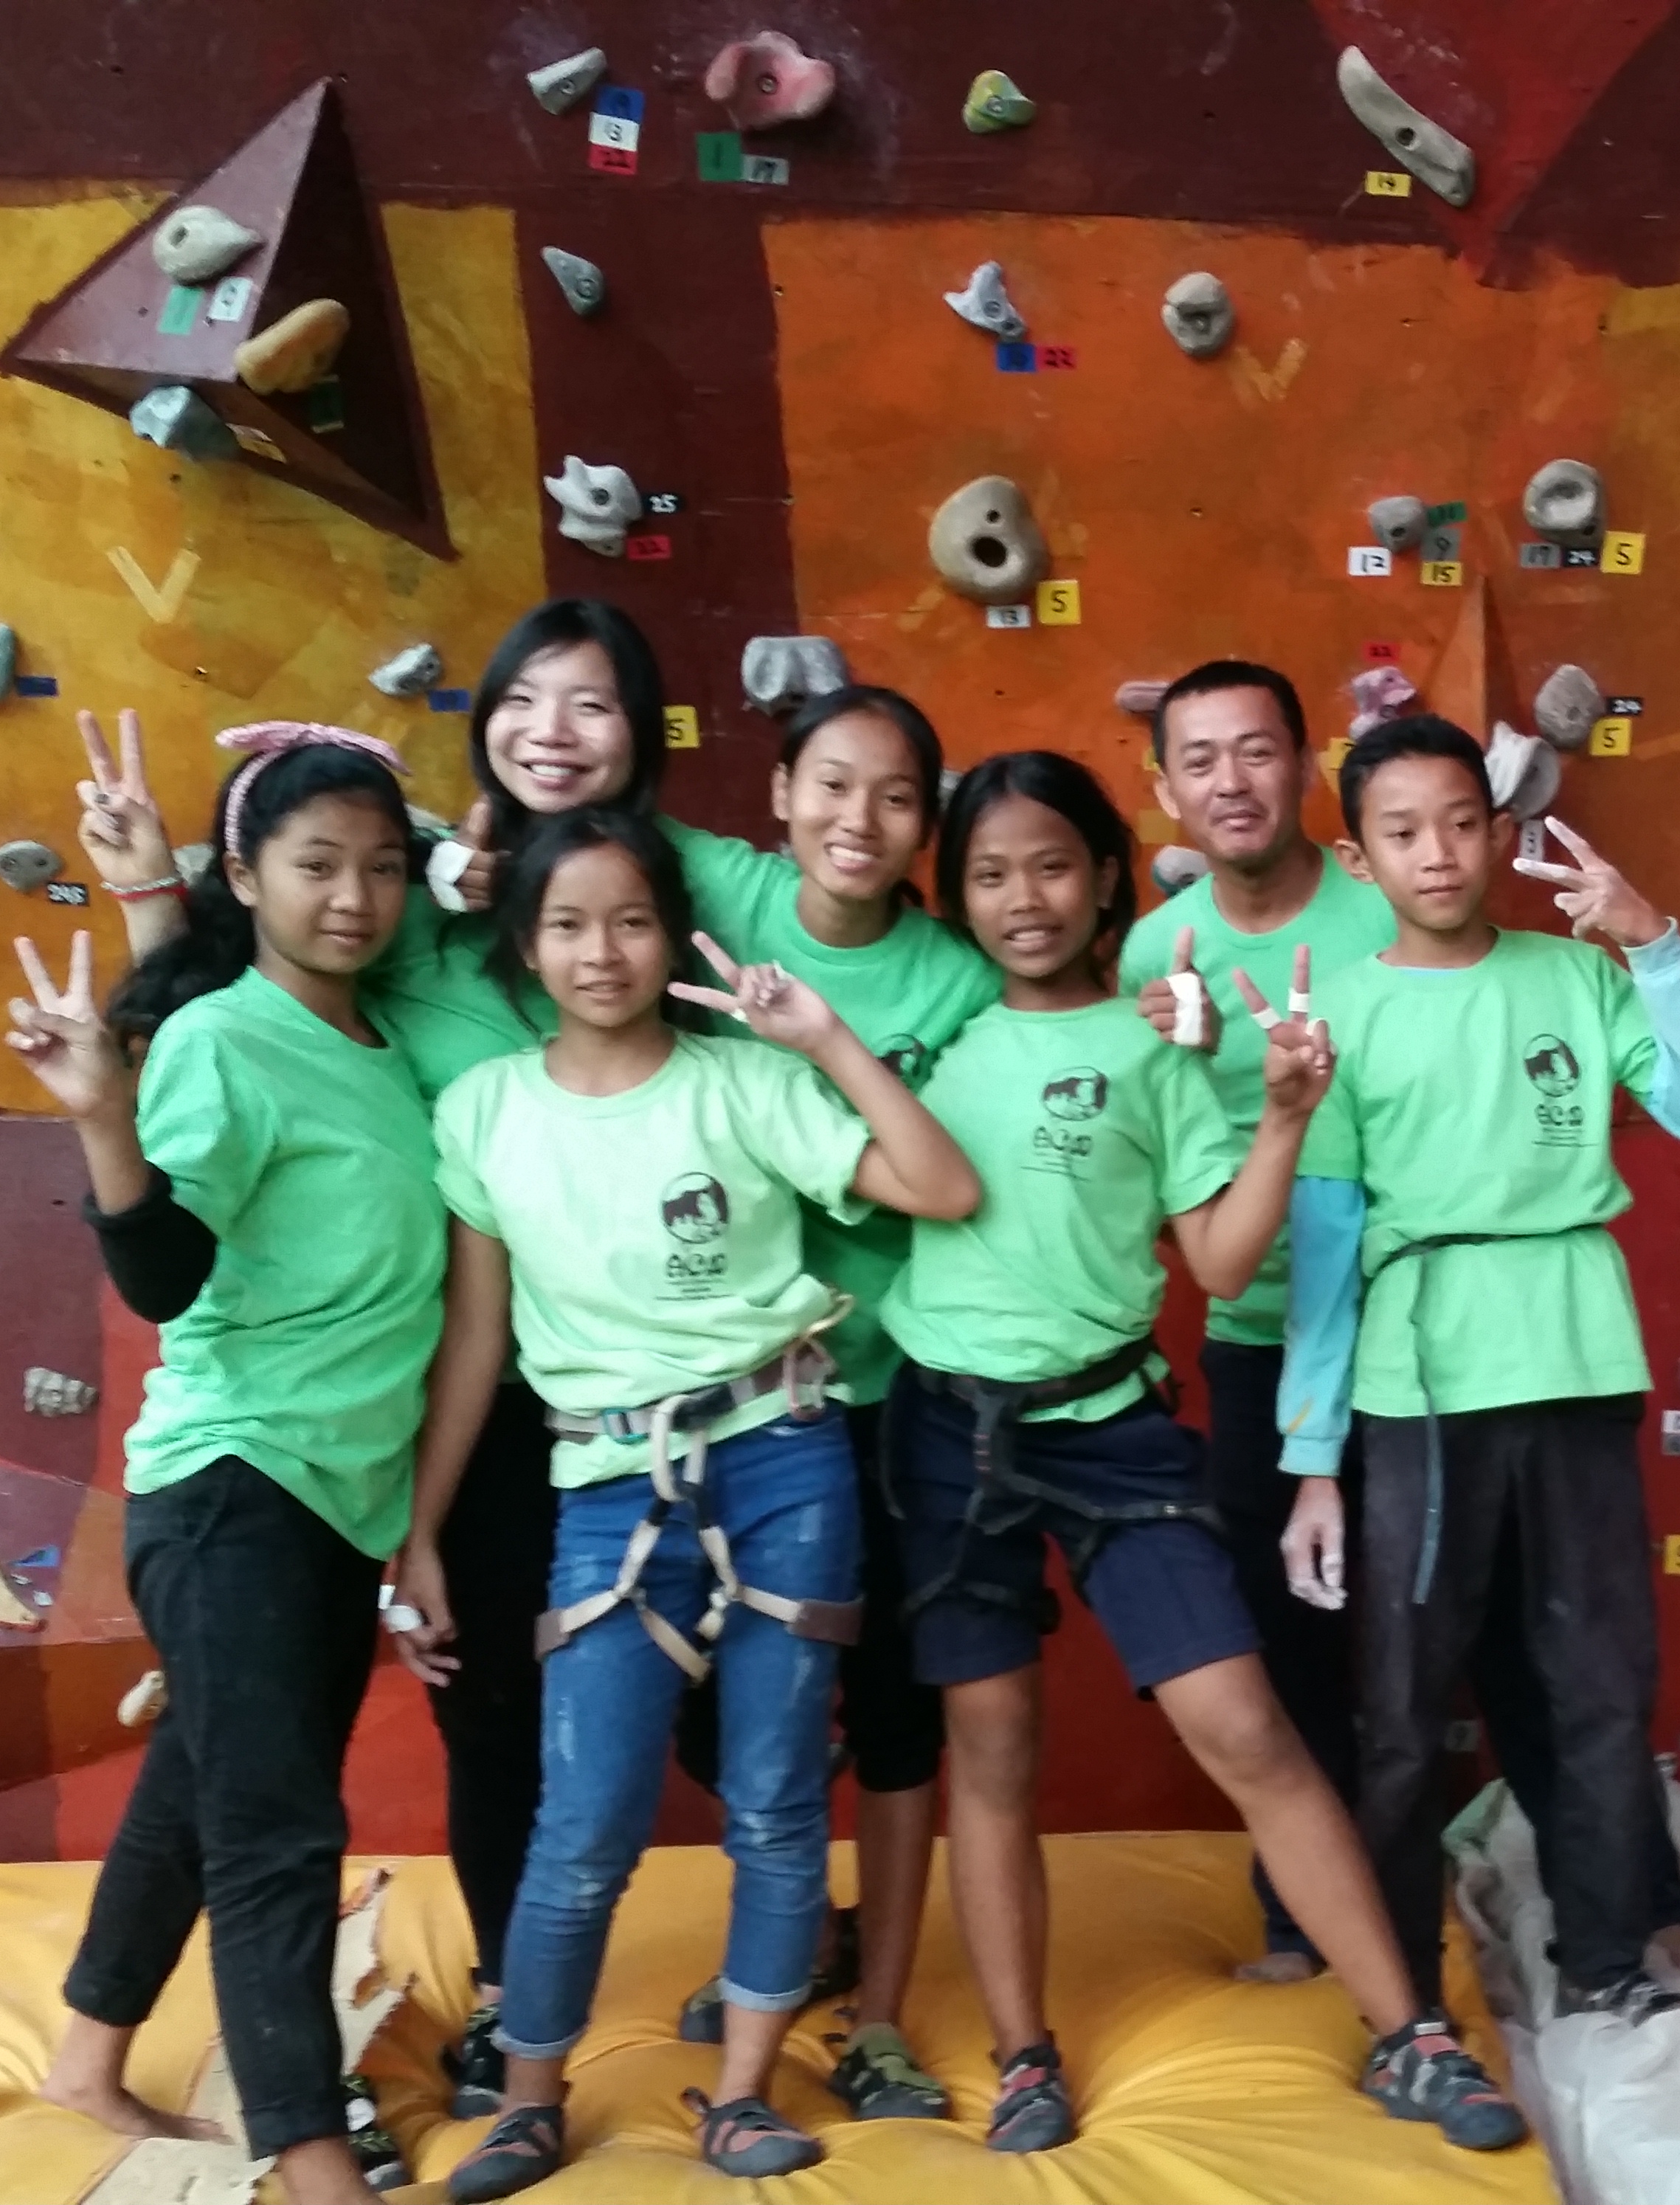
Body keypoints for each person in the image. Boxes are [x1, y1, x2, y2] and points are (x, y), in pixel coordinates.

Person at [879, 751, 1524, 2155]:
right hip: (947, 1435)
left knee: (1247, 1727)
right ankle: (1024, 2054)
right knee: (991, 1745)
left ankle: (1410, 2033)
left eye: (1053, 865)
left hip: (1114, 1432)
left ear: (1110, 878)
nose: (1024, 899)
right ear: (956, 896)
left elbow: (1224, 1263)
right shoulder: (930, 1040)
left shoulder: (1154, 1050)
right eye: (989, 875)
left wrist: (1283, 1116)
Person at [397, 808, 981, 2195]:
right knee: (583, 1818)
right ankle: (529, 2102)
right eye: (567, 924)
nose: (601, 952)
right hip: (605, 1486)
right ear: (524, 946)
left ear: (674, 937)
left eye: (631, 921)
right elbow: (476, 1337)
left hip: (785, 1460)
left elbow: (943, 1184)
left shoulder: (745, 1084)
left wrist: (824, 1042)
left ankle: (742, 2096)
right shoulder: (484, 1112)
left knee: (776, 1798)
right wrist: (418, 1532)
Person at [14, 724, 442, 2205]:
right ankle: (313, 2162)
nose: (353, 898)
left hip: (335, 1493)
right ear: (246, 879)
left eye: (381, 868)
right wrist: (100, 1117)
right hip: (238, 1486)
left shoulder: (382, 1050)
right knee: (278, 1834)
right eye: (316, 865)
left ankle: (86, 2061)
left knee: (202, 1782)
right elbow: (166, 1274)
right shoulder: (218, 1037)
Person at [1273, 716, 1680, 2026]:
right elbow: (1325, 1248)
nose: (1436, 854)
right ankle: (1400, 2002)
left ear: (1499, 834)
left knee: (1601, 1686)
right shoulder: (1339, 1014)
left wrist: (1654, 944)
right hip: (1418, 1385)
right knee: (1400, 1703)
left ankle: (1602, 1964)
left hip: (1576, 1358)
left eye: (1459, 823)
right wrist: (1312, 1461)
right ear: (1358, 859)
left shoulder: (1579, 977)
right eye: (1401, 832)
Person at [655, 685, 995, 2115]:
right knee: (701, 1703)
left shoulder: (957, 981)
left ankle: (882, 2014)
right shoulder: (723, 890)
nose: (861, 820)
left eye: (897, 796)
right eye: (834, 785)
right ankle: (802, 1927)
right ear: (781, 794)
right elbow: (569, 807)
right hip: (722, 1392)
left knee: (896, 1705)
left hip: (888, 1389)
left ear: (926, 825)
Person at [1110, 661, 1398, 1981]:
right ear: (1167, 787)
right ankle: (1301, 1922)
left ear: (1307, 765)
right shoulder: (1154, 957)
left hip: (1420, 1331)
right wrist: (1168, 1054)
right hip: (1261, 1345)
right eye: (1201, 760)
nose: (1232, 782)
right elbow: (1159, 1168)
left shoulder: (1387, 907)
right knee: (1286, 1636)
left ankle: (1436, 1906)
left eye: (1259, 750)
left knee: (1449, 1627)